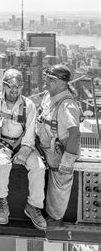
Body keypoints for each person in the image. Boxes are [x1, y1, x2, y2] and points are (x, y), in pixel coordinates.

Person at [0, 69, 46, 229]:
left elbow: (30, 130)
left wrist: (24, 152)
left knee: (39, 167)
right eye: (10, 86)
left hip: (23, 144)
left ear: (22, 87)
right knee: (3, 164)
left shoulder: (28, 105)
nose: (14, 90)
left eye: (18, 87)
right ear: (3, 86)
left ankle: (33, 206)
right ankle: (2, 202)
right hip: (1, 143)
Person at [36, 64, 81, 229]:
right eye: (47, 77)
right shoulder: (49, 96)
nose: (46, 81)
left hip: (59, 153)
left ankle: (56, 220)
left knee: (59, 185)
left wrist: (67, 162)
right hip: (46, 148)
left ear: (62, 83)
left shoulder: (67, 105)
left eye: (51, 79)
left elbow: (75, 134)